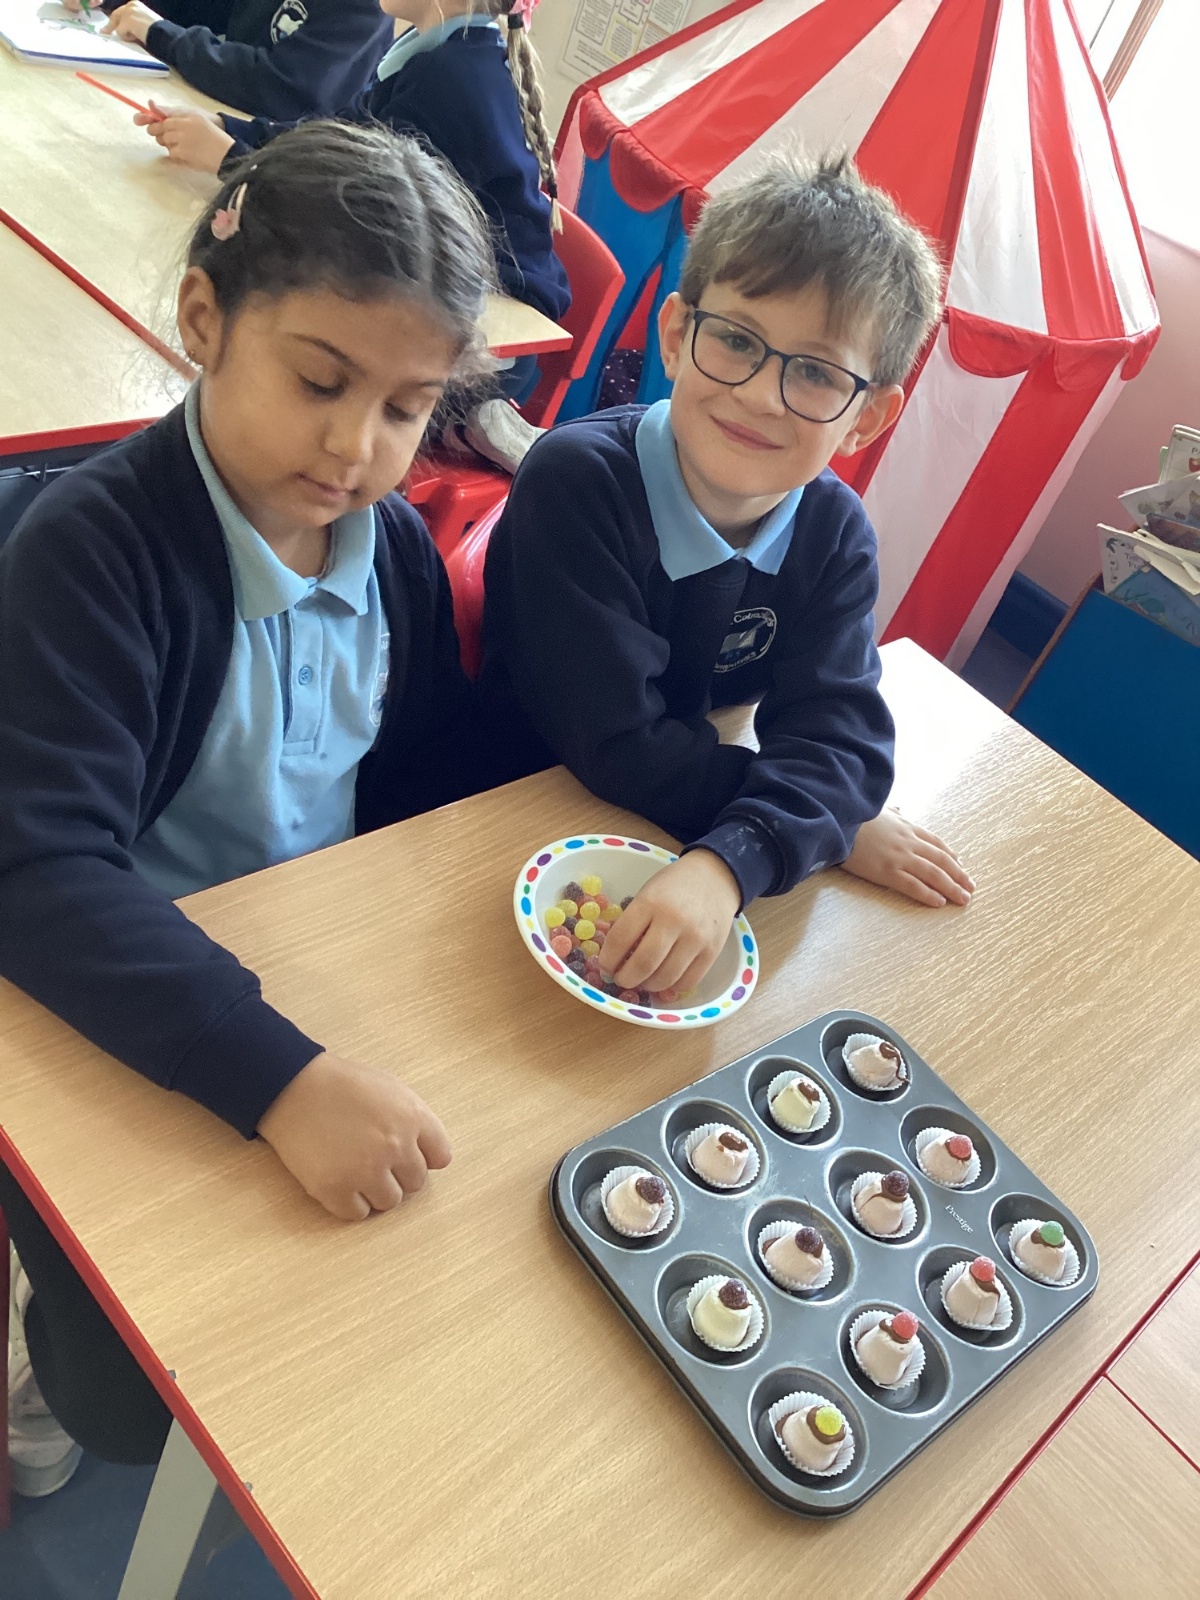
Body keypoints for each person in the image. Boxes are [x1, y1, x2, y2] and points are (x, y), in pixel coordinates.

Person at [0, 121, 496, 1480]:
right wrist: (277, 1076)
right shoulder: (94, 552)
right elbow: (36, 873)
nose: (354, 445)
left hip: (305, 975)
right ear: (205, 319)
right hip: (114, 998)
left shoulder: (390, 550)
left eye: (404, 408)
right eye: (320, 381)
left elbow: (428, 776)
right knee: (122, 1406)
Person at [480, 156, 974, 1000]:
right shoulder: (577, 483)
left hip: (664, 832)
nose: (762, 396)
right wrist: (803, 832)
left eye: (816, 372)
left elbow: (839, 738)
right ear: (676, 336)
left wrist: (744, 852)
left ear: (867, 417)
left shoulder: (835, 532)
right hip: (505, 808)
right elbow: (621, 746)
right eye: (738, 340)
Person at [131, 0, 570, 465]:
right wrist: (232, 130)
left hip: (494, 338)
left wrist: (233, 159)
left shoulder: (454, 76)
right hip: (427, 277)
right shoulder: (435, 46)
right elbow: (342, 137)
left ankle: (466, 414)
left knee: (284, 377)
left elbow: (363, 208)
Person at [78, 0, 393, 121]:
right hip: (218, 120)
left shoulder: (365, 8)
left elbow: (283, 89)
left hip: (278, 165)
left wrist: (163, 35)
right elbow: (200, 9)